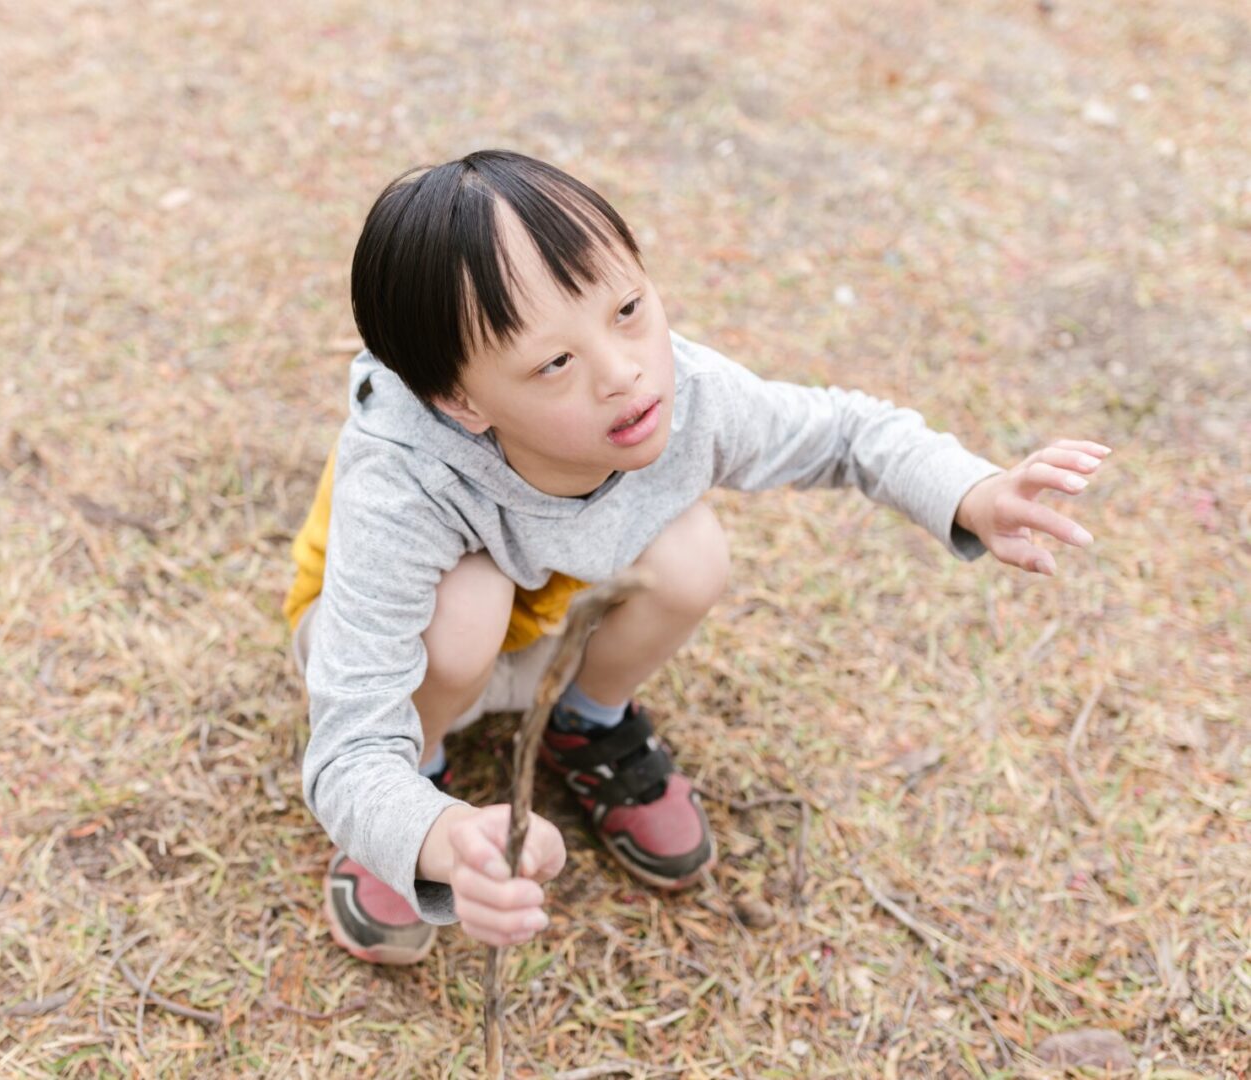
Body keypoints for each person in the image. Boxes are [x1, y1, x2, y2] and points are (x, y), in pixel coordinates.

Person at [283, 149, 1109, 965]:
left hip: (551, 617)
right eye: (555, 363)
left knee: (692, 552)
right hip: (414, 655)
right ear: (460, 400)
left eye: (629, 309)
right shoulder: (402, 480)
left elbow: (847, 433)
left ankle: (588, 721)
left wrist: (972, 491)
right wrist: (432, 835)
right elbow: (347, 744)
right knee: (462, 614)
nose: (624, 372)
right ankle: (418, 779)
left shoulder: (691, 398)